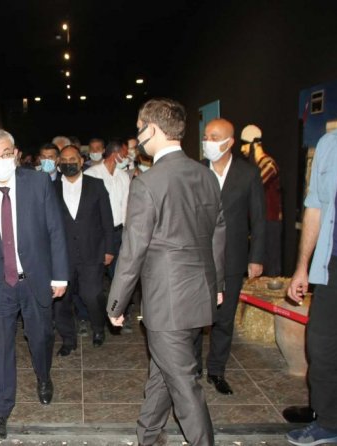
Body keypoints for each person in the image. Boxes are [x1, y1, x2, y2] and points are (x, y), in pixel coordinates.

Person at [107, 98, 225, 446]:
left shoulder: (147, 183)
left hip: (167, 300)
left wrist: (116, 303)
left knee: (184, 384)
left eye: (139, 129)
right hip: (199, 294)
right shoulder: (206, 175)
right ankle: (148, 436)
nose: (137, 138)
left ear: (153, 129)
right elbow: (219, 233)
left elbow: (133, 250)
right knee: (163, 371)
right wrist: (217, 284)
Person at [0, 129, 68, 440]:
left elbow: (55, 230)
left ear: (16, 154)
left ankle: (43, 376)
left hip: (35, 279)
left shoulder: (38, 183)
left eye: (5, 154)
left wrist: (60, 275)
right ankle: (0, 409)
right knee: (1, 344)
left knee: (41, 337)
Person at [194, 118, 266, 395]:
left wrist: (256, 257)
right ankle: (192, 368)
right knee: (196, 317)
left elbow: (258, 219)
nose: (208, 142)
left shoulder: (248, 173)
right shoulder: (197, 171)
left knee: (224, 319)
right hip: (199, 257)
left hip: (233, 258)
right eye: (206, 136)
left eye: (214, 137)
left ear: (230, 142)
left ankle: (216, 370)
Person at [285, 128, 337, 445]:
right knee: (322, 346)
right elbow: (315, 206)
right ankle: (331, 422)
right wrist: (302, 267)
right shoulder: (330, 144)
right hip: (333, 263)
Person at [54, 145, 114, 351]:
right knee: (62, 301)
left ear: (81, 161)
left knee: (92, 295)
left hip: (92, 251)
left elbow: (107, 219)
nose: (68, 163)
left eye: (72, 159)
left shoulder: (96, 185)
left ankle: (98, 328)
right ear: (59, 164)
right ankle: (68, 339)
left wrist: (109, 249)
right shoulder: (51, 188)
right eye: (64, 160)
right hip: (62, 256)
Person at [85, 138, 130, 278]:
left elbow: (126, 205)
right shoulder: (91, 174)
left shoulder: (123, 176)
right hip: (100, 234)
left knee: (118, 274)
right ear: (116, 155)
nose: (127, 158)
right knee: (97, 274)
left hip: (119, 233)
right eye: (124, 155)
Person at [241, 124, 283, 277]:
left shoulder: (269, 165)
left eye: (244, 144)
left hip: (270, 221)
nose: (242, 149)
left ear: (254, 144)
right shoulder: (254, 166)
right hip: (259, 221)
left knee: (270, 263)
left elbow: (253, 187)